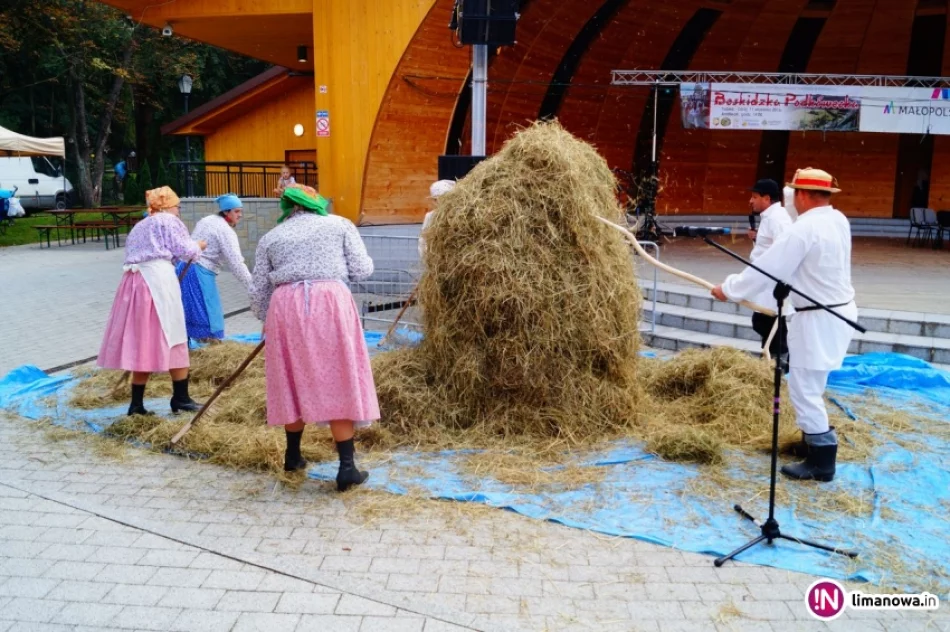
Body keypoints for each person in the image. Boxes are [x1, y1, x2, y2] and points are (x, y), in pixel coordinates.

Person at [711, 168, 857, 483]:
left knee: (803, 387)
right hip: (836, 313)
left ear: (802, 195)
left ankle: (821, 460)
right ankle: (811, 441)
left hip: (818, 318)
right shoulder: (837, 219)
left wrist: (729, 289)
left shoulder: (803, 229)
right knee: (812, 384)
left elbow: (767, 269)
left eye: (794, 193)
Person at [250, 184, 379, 491]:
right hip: (329, 302)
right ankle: (346, 468)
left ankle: (292, 456)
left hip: (285, 307)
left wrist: (266, 318)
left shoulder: (271, 237)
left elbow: (259, 290)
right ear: (316, 202)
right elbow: (362, 269)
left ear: (287, 205)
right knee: (338, 377)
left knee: (290, 378)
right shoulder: (339, 225)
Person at [98, 186, 208, 416]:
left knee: (143, 339)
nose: (178, 211)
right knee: (174, 333)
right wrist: (198, 246)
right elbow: (186, 250)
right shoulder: (168, 221)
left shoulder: (141, 225)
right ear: (167, 206)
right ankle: (181, 397)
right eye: (177, 207)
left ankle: (136, 404)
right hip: (157, 282)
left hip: (134, 283)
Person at [176, 194, 253, 341]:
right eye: (237, 211)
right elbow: (236, 263)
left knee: (187, 314)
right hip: (199, 274)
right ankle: (206, 346)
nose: (240, 215)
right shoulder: (225, 231)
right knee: (210, 317)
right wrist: (253, 287)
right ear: (226, 212)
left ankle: (189, 345)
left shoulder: (207, 220)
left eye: (241, 211)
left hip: (183, 269)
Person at [746, 179, 794, 363]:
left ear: (766, 198)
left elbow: (784, 249)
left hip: (773, 281)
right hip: (765, 280)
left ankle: (779, 361)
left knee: (767, 322)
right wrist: (757, 238)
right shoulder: (770, 217)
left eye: (754, 197)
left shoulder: (777, 219)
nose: (751, 201)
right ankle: (771, 358)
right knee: (764, 322)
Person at [419, 179, 456, 258]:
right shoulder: (430, 216)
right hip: (437, 258)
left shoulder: (458, 215)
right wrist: (426, 257)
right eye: (436, 199)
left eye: (443, 198)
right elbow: (423, 240)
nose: (439, 201)